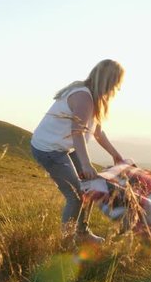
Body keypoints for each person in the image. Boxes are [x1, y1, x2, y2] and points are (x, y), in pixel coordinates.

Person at [30, 59, 125, 246]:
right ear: (109, 81)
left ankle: (82, 232)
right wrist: (86, 164)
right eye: (116, 84)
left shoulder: (94, 97)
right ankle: (66, 243)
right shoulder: (83, 97)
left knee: (89, 186)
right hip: (49, 149)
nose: (116, 89)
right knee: (75, 196)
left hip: (64, 147)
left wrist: (115, 155)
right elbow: (77, 132)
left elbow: (97, 132)